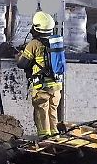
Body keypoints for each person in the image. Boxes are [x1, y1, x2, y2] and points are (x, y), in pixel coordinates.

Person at [15, 10, 64, 138]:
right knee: (53, 111)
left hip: (42, 87)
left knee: (41, 112)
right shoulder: (57, 42)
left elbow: (22, 64)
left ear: (36, 28)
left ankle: (44, 138)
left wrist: (19, 56)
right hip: (57, 86)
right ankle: (55, 136)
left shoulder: (34, 44)